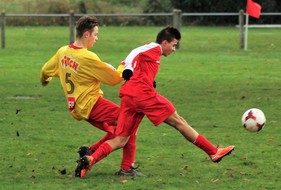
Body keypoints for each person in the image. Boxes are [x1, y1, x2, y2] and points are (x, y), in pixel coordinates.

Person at [75, 26, 235, 178]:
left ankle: (91, 159)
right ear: (164, 42)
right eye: (173, 45)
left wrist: (140, 77)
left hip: (129, 95)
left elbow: (132, 65)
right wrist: (131, 69)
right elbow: (133, 53)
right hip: (143, 95)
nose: (174, 49)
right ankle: (213, 152)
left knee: (121, 139)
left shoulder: (153, 56)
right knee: (179, 122)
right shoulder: (153, 48)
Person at [40, 15, 141, 177]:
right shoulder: (87, 57)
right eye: (95, 34)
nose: (96, 38)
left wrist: (46, 80)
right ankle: (125, 167)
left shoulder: (63, 52)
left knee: (119, 131)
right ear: (86, 34)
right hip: (93, 104)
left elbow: (45, 70)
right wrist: (124, 65)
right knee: (130, 122)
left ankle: (90, 152)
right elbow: (115, 79)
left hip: (78, 108)